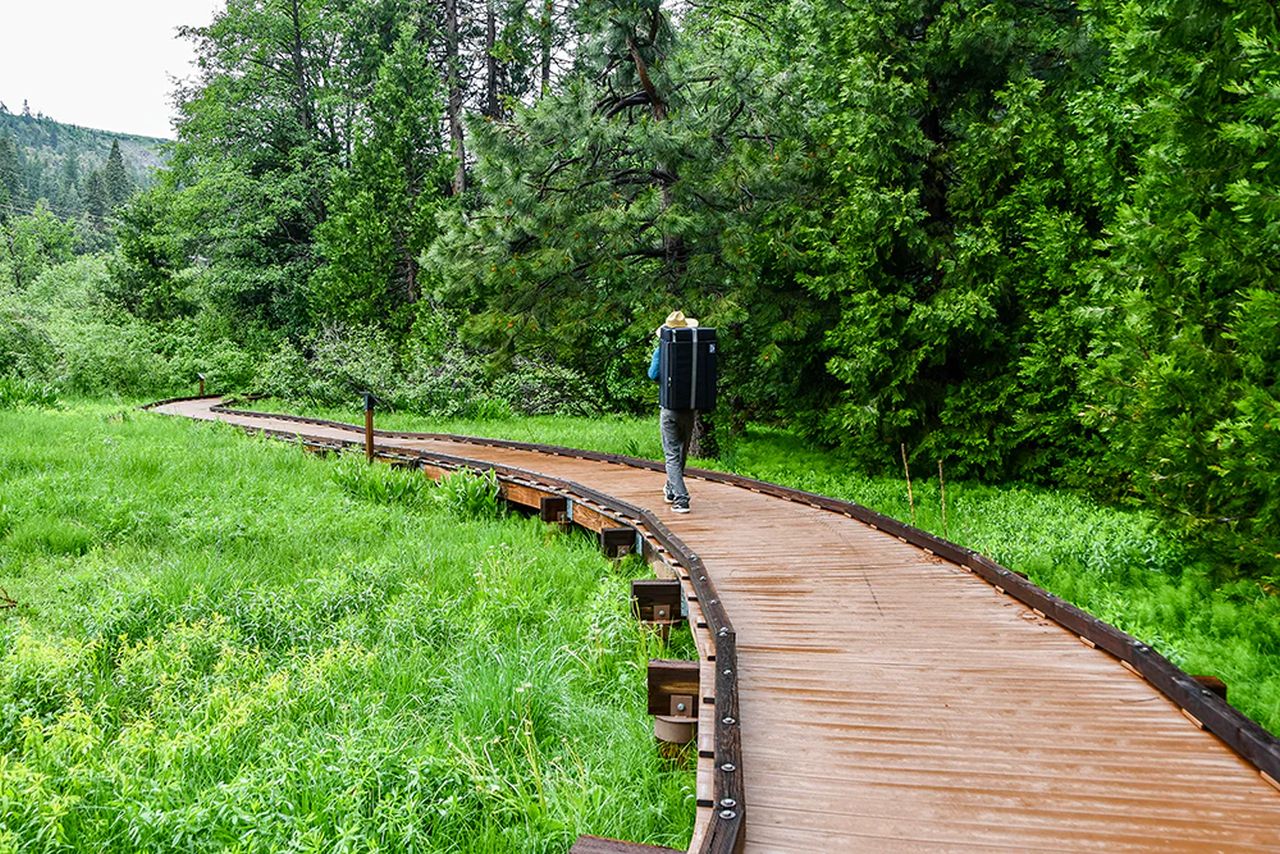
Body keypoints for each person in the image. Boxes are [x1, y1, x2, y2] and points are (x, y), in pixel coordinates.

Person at [648, 310, 697, 514]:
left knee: (671, 454)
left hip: (669, 409)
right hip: (690, 408)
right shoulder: (695, 349)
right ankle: (670, 489)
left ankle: (681, 498)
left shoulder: (663, 349)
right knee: (681, 452)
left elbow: (653, 374)